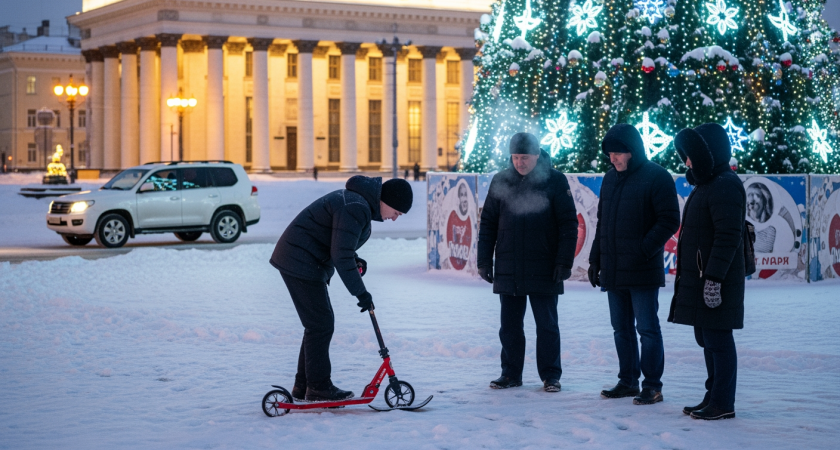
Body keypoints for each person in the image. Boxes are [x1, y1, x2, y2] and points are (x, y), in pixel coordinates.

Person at [269, 176, 413, 401]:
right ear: (387, 201)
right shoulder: (356, 206)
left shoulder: (357, 203)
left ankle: (304, 384)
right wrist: (361, 293)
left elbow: (340, 244)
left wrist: (354, 259)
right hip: (300, 260)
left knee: (317, 325)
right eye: (397, 212)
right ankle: (318, 387)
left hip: (303, 259)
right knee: (320, 325)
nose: (395, 218)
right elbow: (340, 254)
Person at [477, 132, 579, 393]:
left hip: (545, 266)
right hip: (509, 266)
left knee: (547, 325)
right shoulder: (501, 181)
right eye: (515, 157)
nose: (520, 163)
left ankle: (551, 376)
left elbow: (568, 225)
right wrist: (484, 260)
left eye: (525, 157)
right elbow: (488, 222)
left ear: (536, 155)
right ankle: (510, 374)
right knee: (509, 326)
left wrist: (563, 262)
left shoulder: (555, 181)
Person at [588, 124, 680, 405]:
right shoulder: (609, 178)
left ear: (633, 151)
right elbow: (603, 222)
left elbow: (669, 220)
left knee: (647, 329)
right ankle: (627, 381)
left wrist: (643, 249)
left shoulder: (657, 177)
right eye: (610, 154)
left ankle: (652, 385)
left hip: (642, 267)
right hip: (614, 268)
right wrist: (595, 259)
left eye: (618, 153)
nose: (613, 158)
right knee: (621, 329)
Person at [669, 123, 746, 420]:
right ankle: (713, 394)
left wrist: (713, 279)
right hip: (701, 278)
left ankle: (723, 402)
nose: (686, 162)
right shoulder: (708, 184)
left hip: (715, 279)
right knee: (707, 339)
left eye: (690, 155)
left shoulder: (725, 184)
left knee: (718, 340)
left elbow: (729, 236)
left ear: (707, 153)